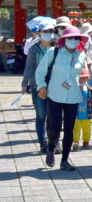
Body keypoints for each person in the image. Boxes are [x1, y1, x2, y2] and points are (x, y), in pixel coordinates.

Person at [36, 25, 88, 171]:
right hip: (54, 94)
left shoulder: (81, 54)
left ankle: (65, 160)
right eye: (70, 38)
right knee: (55, 127)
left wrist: (83, 79)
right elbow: (40, 71)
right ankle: (51, 149)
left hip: (72, 96)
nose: (73, 41)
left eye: (76, 38)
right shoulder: (54, 52)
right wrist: (41, 86)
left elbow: (79, 73)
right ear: (64, 39)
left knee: (69, 129)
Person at [21, 23, 56, 152]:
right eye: (45, 31)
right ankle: (43, 142)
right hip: (37, 85)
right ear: (40, 32)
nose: (48, 33)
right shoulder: (34, 49)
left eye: (51, 31)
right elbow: (29, 67)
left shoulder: (56, 47)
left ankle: (54, 141)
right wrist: (24, 83)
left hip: (54, 85)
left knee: (53, 115)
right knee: (41, 115)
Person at [73, 69, 92, 151]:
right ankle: (76, 141)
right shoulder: (74, 88)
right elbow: (65, 86)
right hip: (77, 114)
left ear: (88, 78)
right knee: (76, 128)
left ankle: (86, 141)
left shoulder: (90, 90)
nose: (81, 80)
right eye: (80, 78)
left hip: (87, 114)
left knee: (87, 129)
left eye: (83, 78)